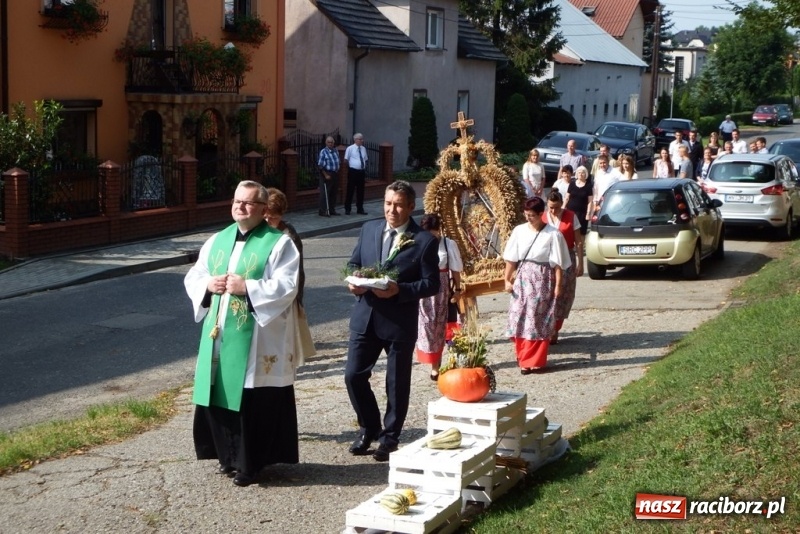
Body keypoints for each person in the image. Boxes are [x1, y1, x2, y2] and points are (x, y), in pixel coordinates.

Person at [184, 181, 301, 487]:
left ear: (263, 210)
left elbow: (287, 286)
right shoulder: (217, 240)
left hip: (258, 339)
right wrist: (208, 285)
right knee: (219, 391)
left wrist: (246, 287)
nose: (241, 207)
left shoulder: (279, 243)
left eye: (249, 203)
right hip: (220, 333)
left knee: (252, 400)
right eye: (237, 201)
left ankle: (250, 464)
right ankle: (227, 457)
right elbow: (196, 274)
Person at [344, 181, 440, 462]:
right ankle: (368, 426)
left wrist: (402, 290)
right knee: (353, 375)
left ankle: (390, 437)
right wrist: (354, 280)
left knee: (396, 383)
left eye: (398, 204)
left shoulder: (424, 241)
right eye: (388, 203)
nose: (392, 210)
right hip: (365, 316)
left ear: (411, 206)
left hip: (398, 321)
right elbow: (353, 264)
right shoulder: (369, 229)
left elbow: (431, 284)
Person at [503, 196, 571, 374]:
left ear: (542, 214)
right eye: (526, 214)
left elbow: (558, 264)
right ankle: (522, 354)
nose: (528, 218)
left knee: (535, 319)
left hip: (542, 279)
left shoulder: (553, 234)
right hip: (523, 278)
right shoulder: (519, 231)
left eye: (531, 215)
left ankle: (531, 360)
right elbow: (511, 258)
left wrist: (558, 286)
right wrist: (507, 279)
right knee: (518, 316)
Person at [415, 213, 463, 380]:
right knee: (427, 325)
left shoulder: (448, 244)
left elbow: (455, 269)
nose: (429, 236)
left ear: (438, 230)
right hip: (424, 289)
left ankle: (444, 363)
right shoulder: (417, 243)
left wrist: (457, 289)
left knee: (443, 326)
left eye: (432, 232)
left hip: (442, 289)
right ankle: (433, 360)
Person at [544, 191, 582, 345]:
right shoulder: (542, 218)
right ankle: (548, 328)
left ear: (561, 204)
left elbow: (578, 242)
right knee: (548, 294)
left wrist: (581, 263)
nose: (554, 211)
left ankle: (556, 328)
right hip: (548, 261)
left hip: (567, 259)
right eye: (551, 207)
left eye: (557, 207)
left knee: (564, 294)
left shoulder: (571, 216)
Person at [564, 165, 594, 235]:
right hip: (571, 211)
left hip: (582, 213)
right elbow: (567, 197)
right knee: (570, 230)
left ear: (585, 174)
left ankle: (580, 245)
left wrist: (588, 213)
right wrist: (563, 206)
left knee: (581, 232)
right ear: (577, 174)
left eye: (583, 172)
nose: (580, 174)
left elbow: (590, 201)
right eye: (579, 172)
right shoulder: (572, 183)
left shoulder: (588, 186)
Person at [344, 133, 368, 215]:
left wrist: (363, 167)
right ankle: (348, 208)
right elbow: (346, 160)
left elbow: (365, 159)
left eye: (362, 139)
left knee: (361, 191)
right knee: (350, 190)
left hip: (361, 172)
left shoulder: (363, 149)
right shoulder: (350, 148)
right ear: (355, 140)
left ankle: (360, 208)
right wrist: (351, 167)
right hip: (353, 171)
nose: (362, 140)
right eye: (360, 139)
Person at [317, 136, 340, 217]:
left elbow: (337, 162)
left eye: (332, 142)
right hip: (326, 173)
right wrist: (326, 175)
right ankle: (323, 211)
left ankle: (332, 209)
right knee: (325, 193)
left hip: (334, 173)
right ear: (326, 143)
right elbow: (320, 165)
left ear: (334, 143)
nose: (330, 144)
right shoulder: (323, 152)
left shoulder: (336, 150)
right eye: (329, 142)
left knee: (334, 192)